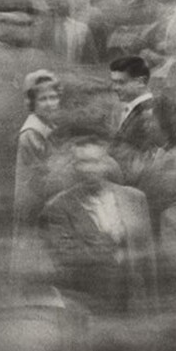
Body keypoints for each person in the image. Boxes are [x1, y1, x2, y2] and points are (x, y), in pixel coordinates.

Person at [40, 131, 157, 315]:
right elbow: (66, 261)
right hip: (88, 309)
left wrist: (153, 308)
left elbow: (148, 262)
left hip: (134, 308)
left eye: (95, 161)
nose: (89, 169)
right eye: (82, 162)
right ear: (74, 166)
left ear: (106, 162)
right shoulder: (57, 208)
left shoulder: (134, 199)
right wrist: (109, 241)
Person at [13, 70, 62, 233]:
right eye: (43, 99)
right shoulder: (32, 132)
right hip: (35, 200)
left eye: (53, 98)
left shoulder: (51, 124)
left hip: (50, 195)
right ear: (33, 103)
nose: (50, 104)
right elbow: (42, 172)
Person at [108, 55, 169, 185]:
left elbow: (149, 160)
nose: (114, 87)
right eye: (113, 82)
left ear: (140, 82)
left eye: (121, 82)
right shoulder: (129, 109)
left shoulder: (150, 112)